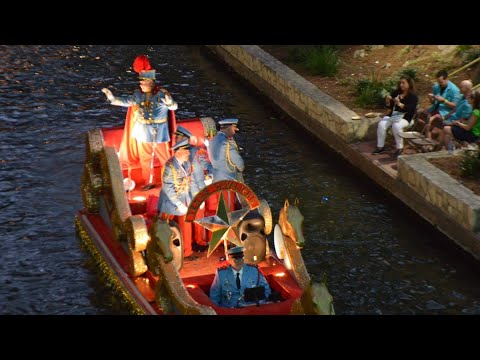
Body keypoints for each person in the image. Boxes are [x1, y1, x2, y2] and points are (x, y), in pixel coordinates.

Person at [101, 54, 178, 191]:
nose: (141, 85)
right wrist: (112, 98)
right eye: (141, 83)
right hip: (143, 132)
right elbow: (126, 102)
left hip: (159, 131)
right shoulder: (138, 94)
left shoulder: (162, 94)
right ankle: (149, 181)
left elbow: (173, 107)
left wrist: (170, 102)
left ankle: (172, 179)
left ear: (151, 83)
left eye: (144, 83)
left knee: (165, 158)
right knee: (145, 159)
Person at [157, 139, 200, 259]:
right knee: (162, 225)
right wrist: (178, 204)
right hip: (170, 202)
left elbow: (190, 182)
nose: (188, 154)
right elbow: (168, 189)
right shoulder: (169, 167)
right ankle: (161, 248)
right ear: (178, 152)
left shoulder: (186, 164)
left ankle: (187, 252)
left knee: (186, 225)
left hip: (185, 199)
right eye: (186, 152)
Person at [172, 125, 213, 250]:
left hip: (195, 190)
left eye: (178, 137)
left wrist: (209, 176)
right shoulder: (176, 152)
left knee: (197, 218)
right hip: (183, 192)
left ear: (185, 138)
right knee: (185, 221)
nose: (176, 139)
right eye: (176, 137)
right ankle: (187, 249)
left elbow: (208, 166)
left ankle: (199, 242)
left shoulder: (196, 152)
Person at [372, 75, 418, 157]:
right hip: (394, 116)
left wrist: (399, 103)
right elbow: (389, 108)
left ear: (409, 84)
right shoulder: (396, 93)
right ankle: (380, 147)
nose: (401, 85)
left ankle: (399, 148)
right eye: (400, 83)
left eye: (403, 83)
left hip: (406, 118)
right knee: (381, 124)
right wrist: (388, 102)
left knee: (396, 125)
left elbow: (410, 109)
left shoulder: (413, 96)